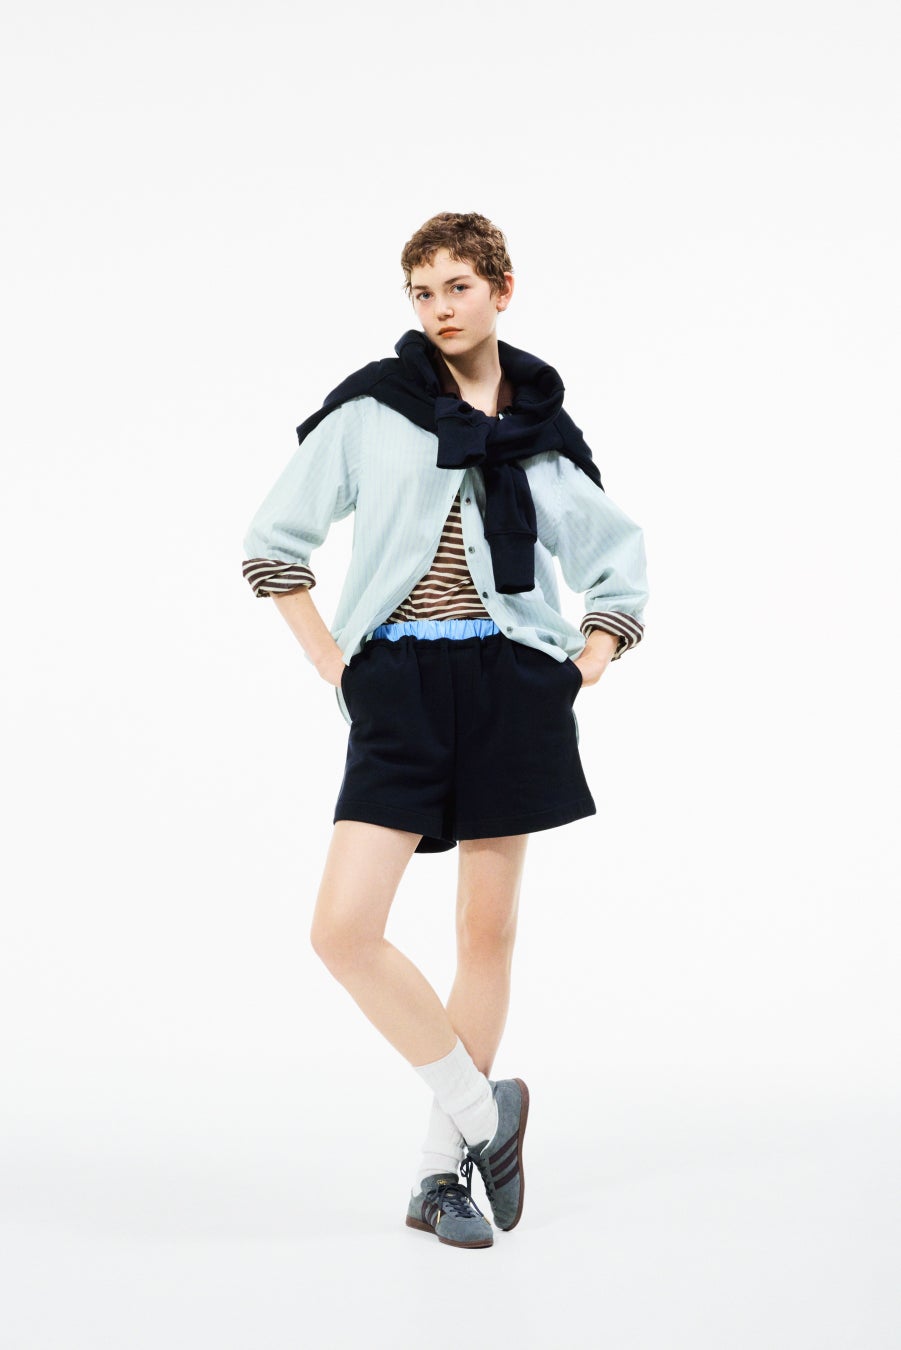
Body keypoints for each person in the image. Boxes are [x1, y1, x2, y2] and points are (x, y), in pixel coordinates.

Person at [241, 212, 649, 1250]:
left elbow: (614, 557)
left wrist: (586, 660)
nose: (439, 309)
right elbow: (273, 543)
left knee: (485, 930)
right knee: (343, 930)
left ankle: (438, 1177)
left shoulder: (540, 426)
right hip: (400, 684)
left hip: (511, 683)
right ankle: (484, 1112)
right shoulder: (371, 411)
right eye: (422, 293)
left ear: (502, 290)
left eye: (458, 287)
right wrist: (336, 664)